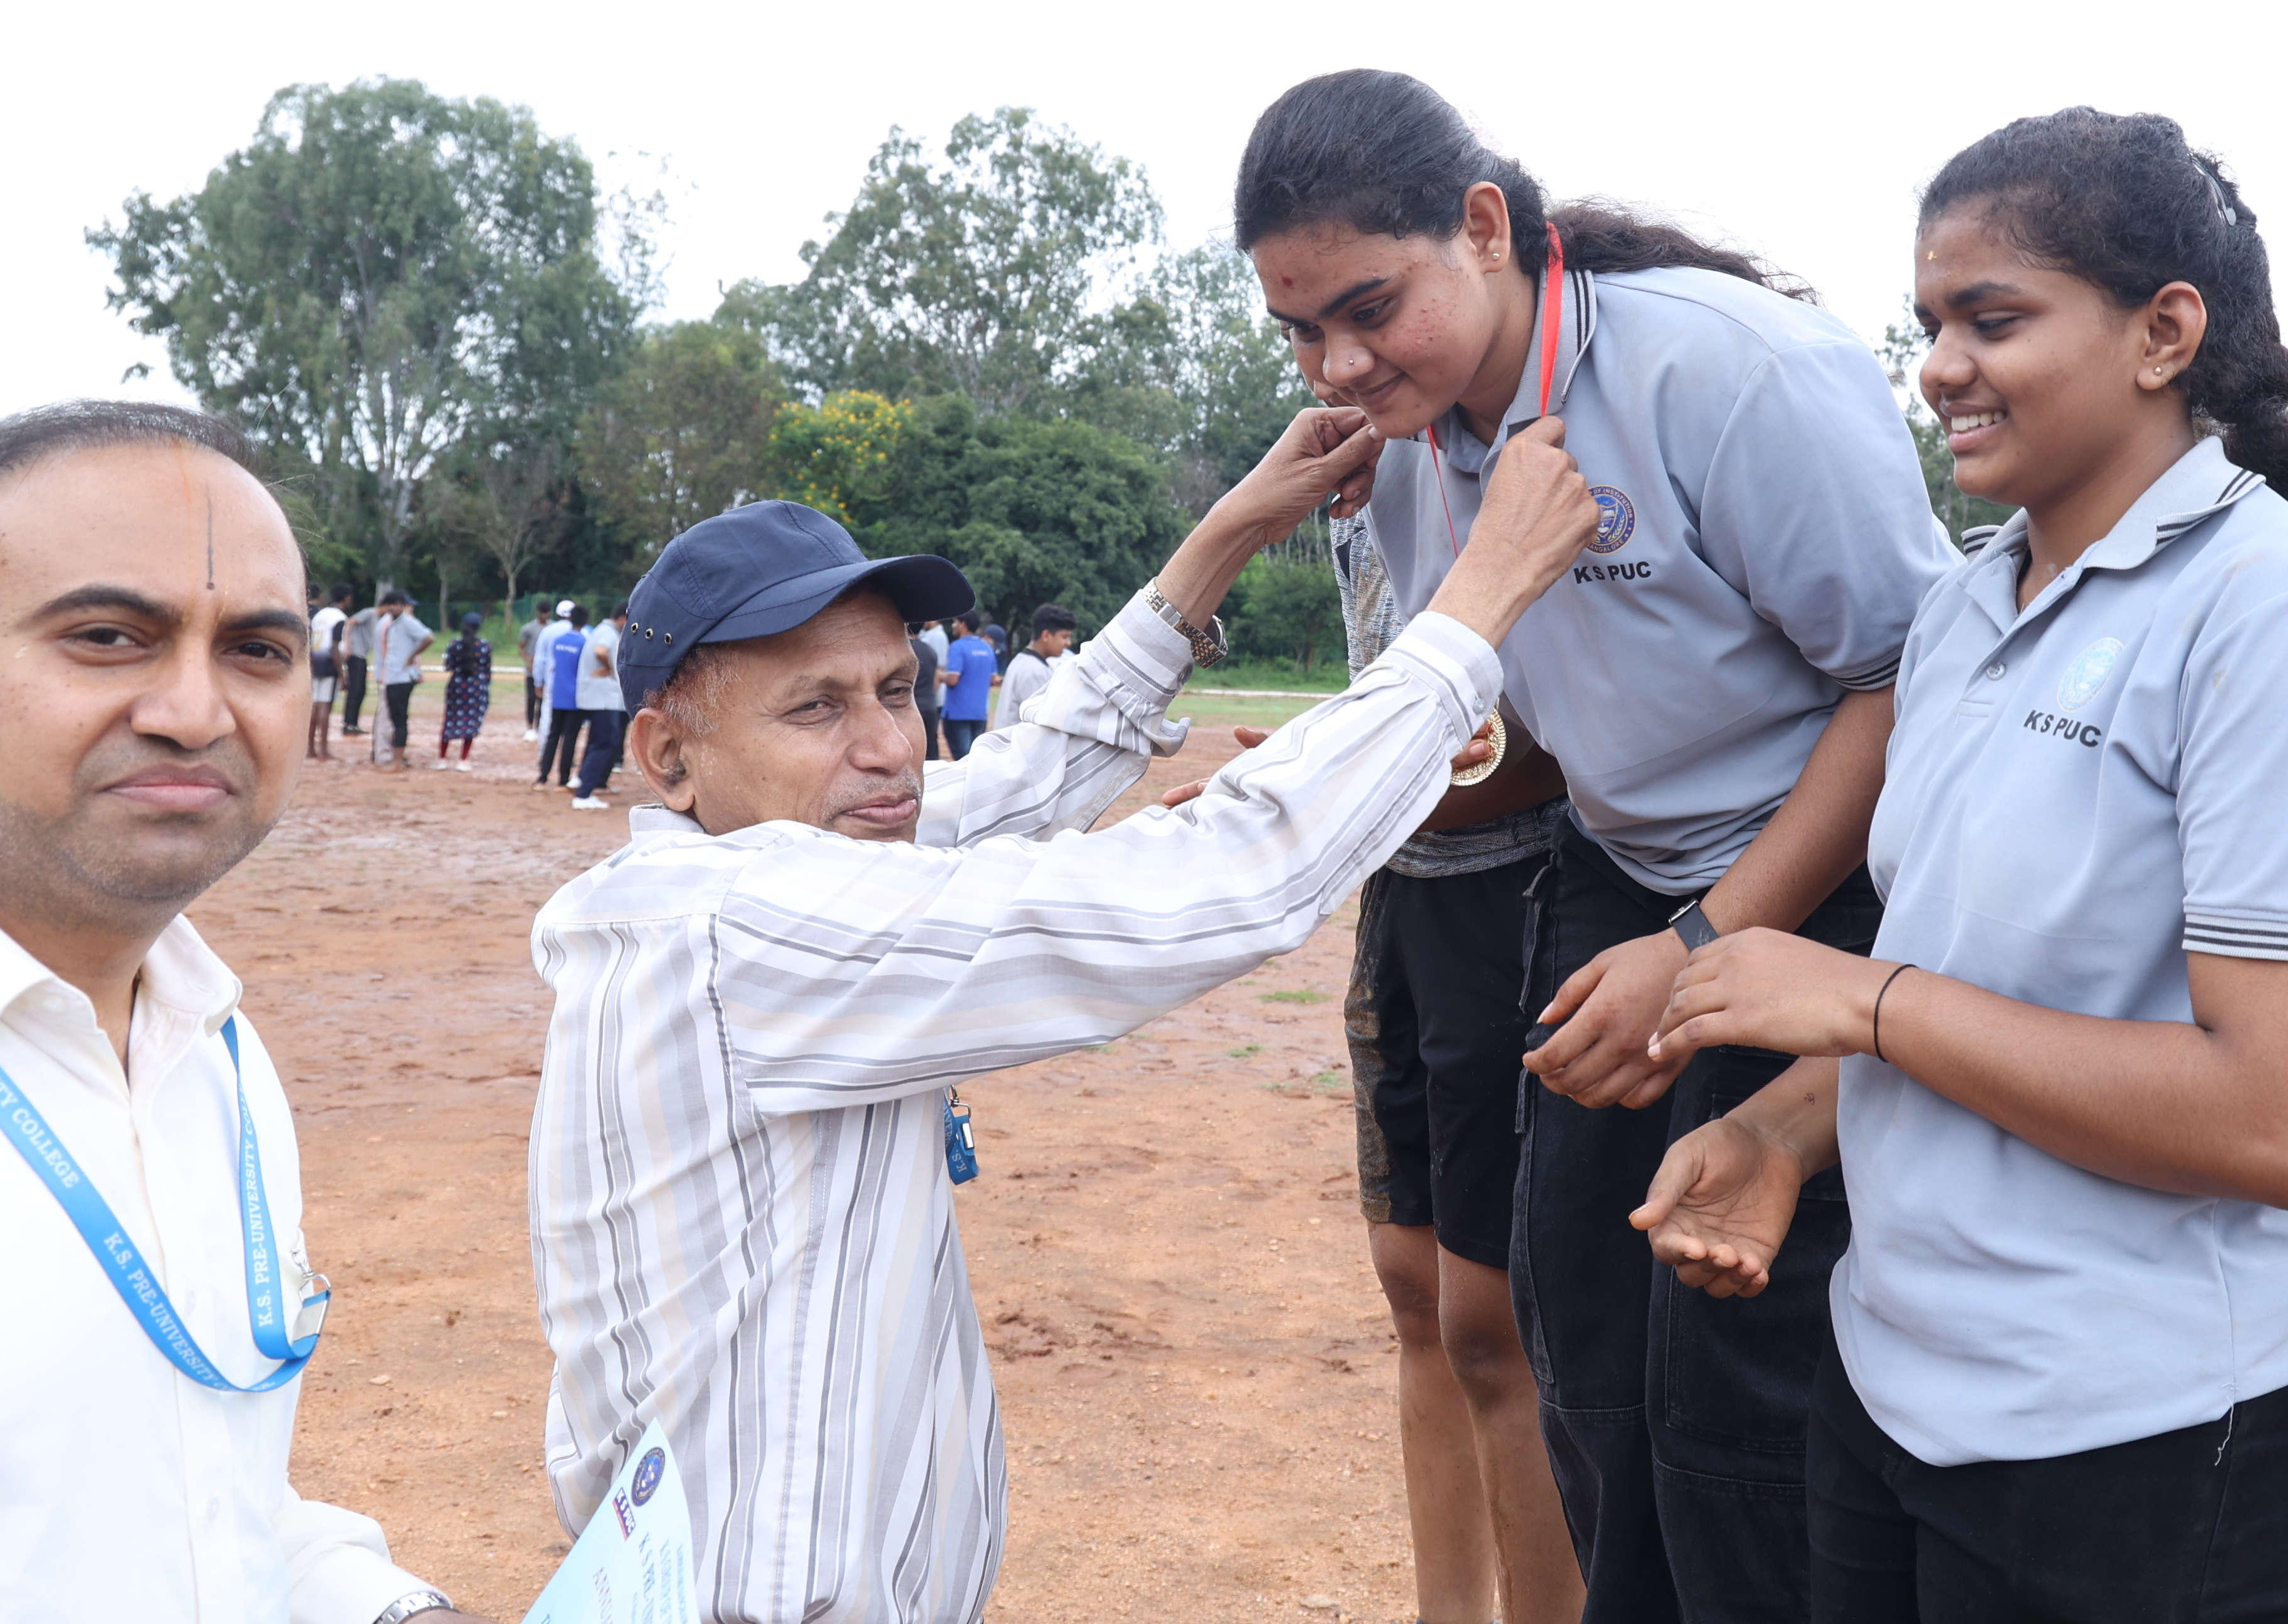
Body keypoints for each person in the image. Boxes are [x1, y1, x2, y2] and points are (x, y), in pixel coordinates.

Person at [527, 403, 1596, 1624]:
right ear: (668, 757)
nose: (889, 747)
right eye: (815, 708)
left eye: (896, 689)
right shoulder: (748, 932)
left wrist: (1225, 537)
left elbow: (1021, 778)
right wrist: (1477, 603)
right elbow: (1224, 878)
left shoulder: (742, 871)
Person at [1631, 110, 2288, 1624]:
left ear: (2163, 334)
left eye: (1991, 319)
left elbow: (2276, 1122)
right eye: (1929, 327)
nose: (1940, 368)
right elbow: (1982, 986)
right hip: (1896, 1389)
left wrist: (1863, 1001)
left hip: (2158, 1441)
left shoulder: (2285, 620)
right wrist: (1780, 1133)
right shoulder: (1965, 612)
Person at [1236, 69, 1958, 1624]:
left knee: (1743, 1356)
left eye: (1368, 310)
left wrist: (1700, 950)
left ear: (1483, 226)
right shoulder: (1407, 446)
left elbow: (1906, 684)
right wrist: (1292, 792)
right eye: (1299, 332)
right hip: (1609, 876)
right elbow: (1505, 714)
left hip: (1821, 890)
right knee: (1575, 1330)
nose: (1339, 366)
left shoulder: (1727, 375)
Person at [0, 400, 488, 1623]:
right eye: (106, 636)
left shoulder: (211, 1044)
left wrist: (385, 1607)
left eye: (257, 650)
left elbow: (203, 1497)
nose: (195, 711)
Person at [1331, 501, 1586, 1624]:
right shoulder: (1361, 463)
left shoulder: (1536, 465)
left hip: (1522, 890)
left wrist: (1340, 794)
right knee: (1414, 1288)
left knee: (1495, 1323)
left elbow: (1570, 741)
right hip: (1403, 888)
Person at [567, 600, 626, 809]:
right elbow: (601, 651)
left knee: (596, 742)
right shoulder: (608, 633)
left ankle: (581, 780)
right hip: (603, 700)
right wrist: (608, 668)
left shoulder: (601, 630)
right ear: (624, 618)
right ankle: (583, 795)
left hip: (598, 698)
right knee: (605, 743)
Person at [367, 589, 431, 765]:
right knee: (388, 718)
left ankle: (386, 752)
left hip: (392, 675)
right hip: (391, 676)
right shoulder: (390, 624)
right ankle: (384, 754)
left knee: (388, 716)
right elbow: (390, 652)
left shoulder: (393, 623)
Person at [535, 600, 589, 787]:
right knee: (570, 739)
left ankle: (543, 777)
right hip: (575, 697)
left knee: (553, 736)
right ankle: (563, 780)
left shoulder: (558, 641)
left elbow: (549, 664)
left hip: (557, 694)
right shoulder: (584, 642)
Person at [995, 603, 1078, 723]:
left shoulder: (1023, 660)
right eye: (1065, 637)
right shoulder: (1034, 671)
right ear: (1046, 635)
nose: (1068, 643)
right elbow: (1044, 719)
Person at [438, 610, 495, 768]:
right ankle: (463, 760)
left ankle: (442, 759)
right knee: (471, 722)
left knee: (450, 720)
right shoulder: (485, 646)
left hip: (457, 687)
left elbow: (448, 666)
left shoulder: (454, 644)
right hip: (477, 688)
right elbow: (488, 669)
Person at [938, 612, 998, 757]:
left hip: (958, 713)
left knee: (962, 760)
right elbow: (993, 680)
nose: (953, 625)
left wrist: (939, 675)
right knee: (975, 757)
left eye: (955, 622)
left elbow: (953, 679)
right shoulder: (987, 648)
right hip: (980, 713)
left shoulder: (957, 647)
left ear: (963, 624)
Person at [308, 587, 347, 763]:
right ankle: (323, 749)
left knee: (315, 705)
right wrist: (342, 674)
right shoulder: (339, 618)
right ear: (347, 599)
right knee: (325, 705)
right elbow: (334, 647)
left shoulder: (319, 615)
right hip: (330, 663)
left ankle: (310, 748)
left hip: (315, 661)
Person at [908, 610, 946, 762]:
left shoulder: (904, 651)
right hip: (930, 706)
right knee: (932, 751)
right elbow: (936, 680)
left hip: (910, 707)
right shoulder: (931, 651)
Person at [338, 591, 374, 736]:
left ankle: (353, 724)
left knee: (361, 690)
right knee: (355, 690)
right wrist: (347, 645)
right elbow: (350, 622)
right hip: (355, 655)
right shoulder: (370, 613)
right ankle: (348, 725)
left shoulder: (384, 619)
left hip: (362, 656)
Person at [517, 601, 548, 731]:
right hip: (532, 670)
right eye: (543, 613)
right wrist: (528, 662)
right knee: (531, 699)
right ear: (538, 612)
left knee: (543, 700)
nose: (545, 616)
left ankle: (539, 726)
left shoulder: (551, 628)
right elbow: (522, 647)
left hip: (546, 670)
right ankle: (530, 727)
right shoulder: (528, 628)